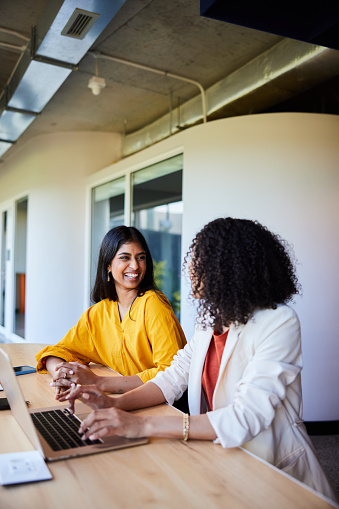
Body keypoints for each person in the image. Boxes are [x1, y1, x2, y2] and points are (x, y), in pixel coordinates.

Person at [60, 218, 337, 502]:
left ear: (226, 268)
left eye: (198, 260)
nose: (190, 268)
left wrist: (142, 425)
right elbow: (172, 377)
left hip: (270, 465)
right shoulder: (211, 323)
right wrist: (114, 403)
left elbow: (245, 417)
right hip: (217, 453)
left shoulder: (279, 322)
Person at [36, 226, 186, 397]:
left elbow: (170, 373)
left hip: (161, 404)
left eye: (140, 257)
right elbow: (58, 351)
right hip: (120, 401)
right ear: (108, 265)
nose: (135, 266)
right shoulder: (98, 313)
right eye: (125, 258)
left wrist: (99, 383)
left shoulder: (153, 304)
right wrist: (61, 375)